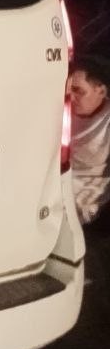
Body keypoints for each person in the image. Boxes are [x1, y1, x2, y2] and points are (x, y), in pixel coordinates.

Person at [68, 54, 110, 226]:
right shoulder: (62, 109)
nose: (71, 97)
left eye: (78, 91)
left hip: (89, 186)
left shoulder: (107, 120)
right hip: (56, 177)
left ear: (101, 91)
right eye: (69, 89)